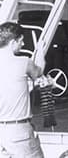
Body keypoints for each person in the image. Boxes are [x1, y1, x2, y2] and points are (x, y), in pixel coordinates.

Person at [0, 22, 45, 158]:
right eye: (21, 41)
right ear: (13, 42)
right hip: (18, 131)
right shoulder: (23, 62)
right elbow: (39, 72)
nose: (23, 44)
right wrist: (41, 51)